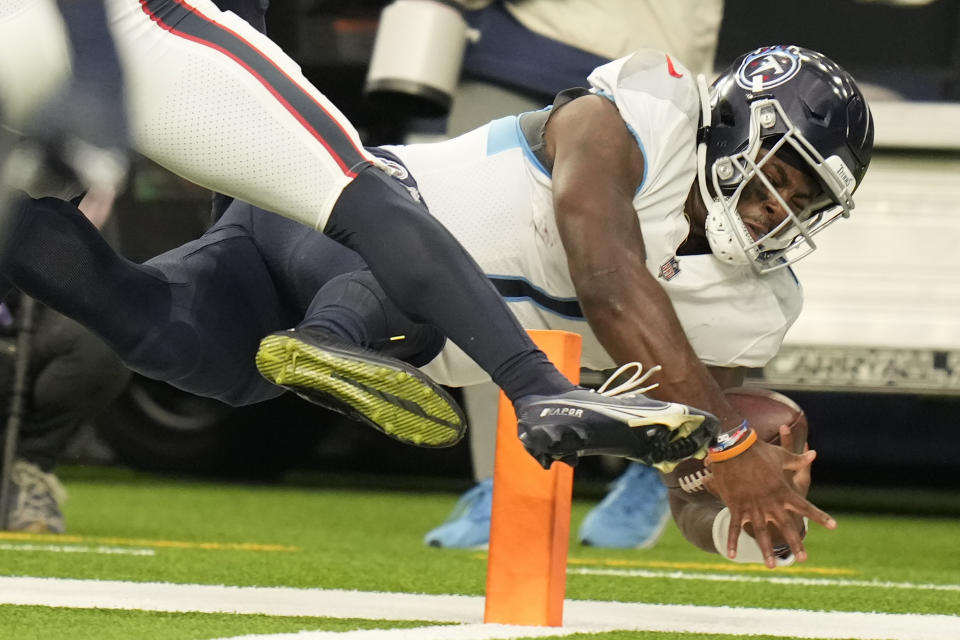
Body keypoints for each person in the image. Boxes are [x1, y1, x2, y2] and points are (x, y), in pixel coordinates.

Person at [0, 43, 870, 566]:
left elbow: (684, 467)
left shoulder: (751, 306)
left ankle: (14, 216)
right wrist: (729, 435)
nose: (777, 209)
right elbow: (605, 274)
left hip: (363, 319)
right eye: (779, 174)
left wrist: (741, 513)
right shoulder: (645, 115)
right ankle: (333, 340)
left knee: (157, 332)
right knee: (421, 300)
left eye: (806, 203)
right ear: (732, 130)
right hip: (334, 211)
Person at [404, 0, 726, 550]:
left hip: (664, 89)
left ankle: (660, 467)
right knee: (476, 270)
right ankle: (500, 483)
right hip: (525, 55)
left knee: (657, 280)